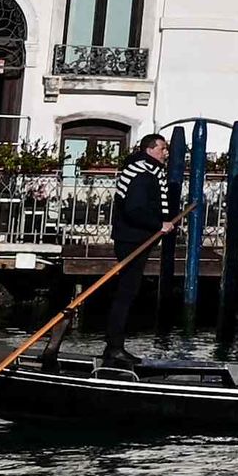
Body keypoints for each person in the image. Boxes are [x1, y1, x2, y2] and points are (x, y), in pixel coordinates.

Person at [100, 133, 174, 364]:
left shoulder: (142, 169)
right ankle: (114, 347)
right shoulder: (143, 174)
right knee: (126, 292)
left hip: (134, 238)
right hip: (133, 240)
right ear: (150, 149)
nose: (166, 153)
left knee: (127, 291)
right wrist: (159, 224)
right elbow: (135, 209)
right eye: (162, 148)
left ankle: (114, 345)